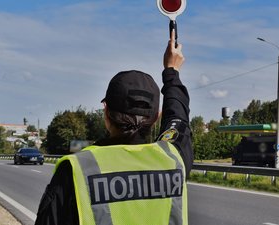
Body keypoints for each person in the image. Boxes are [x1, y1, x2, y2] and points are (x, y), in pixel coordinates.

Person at [35, 29, 193, 225]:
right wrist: (172, 72)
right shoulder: (173, 160)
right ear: (155, 118)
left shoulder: (76, 170)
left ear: (105, 113)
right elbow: (178, 118)